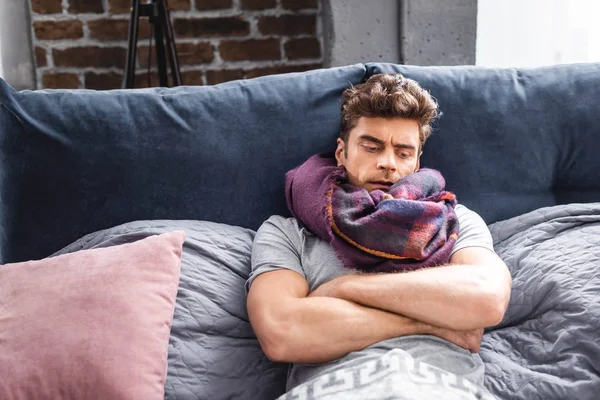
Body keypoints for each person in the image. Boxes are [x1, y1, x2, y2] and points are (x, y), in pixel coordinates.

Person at [246, 74, 512, 399]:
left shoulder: (453, 220)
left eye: (403, 153)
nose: (387, 163)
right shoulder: (286, 232)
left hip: (440, 387)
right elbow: (282, 332)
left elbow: (486, 298)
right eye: (371, 147)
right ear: (341, 153)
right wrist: (434, 324)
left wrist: (343, 288)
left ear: (417, 162)